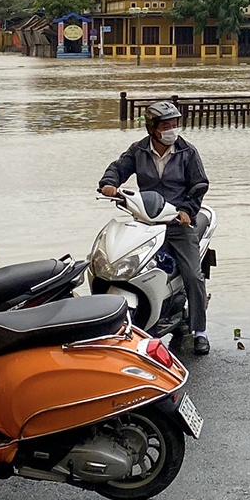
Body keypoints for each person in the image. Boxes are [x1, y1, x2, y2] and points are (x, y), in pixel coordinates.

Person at [99, 100, 212, 355]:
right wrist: (109, 182)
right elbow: (119, 168)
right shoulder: (138, 150)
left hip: (176, 222)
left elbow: (199, 186)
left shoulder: (187, 152)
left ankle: (200, 331)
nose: (172, 129)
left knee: (193, 275)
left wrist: (187, 210)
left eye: (175, 124)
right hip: (146, 221)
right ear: (152, 128)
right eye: (166, 125)